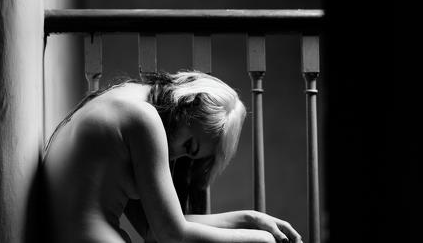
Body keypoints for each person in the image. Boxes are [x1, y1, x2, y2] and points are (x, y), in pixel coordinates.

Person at [43, 71, 302, 243]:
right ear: (187, 106)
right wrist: (261, 239)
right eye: (189, 145)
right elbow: (171, 234)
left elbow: (155, 228)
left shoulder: (125, 96)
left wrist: (250, 219)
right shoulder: (143, 118)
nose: (175, 156)